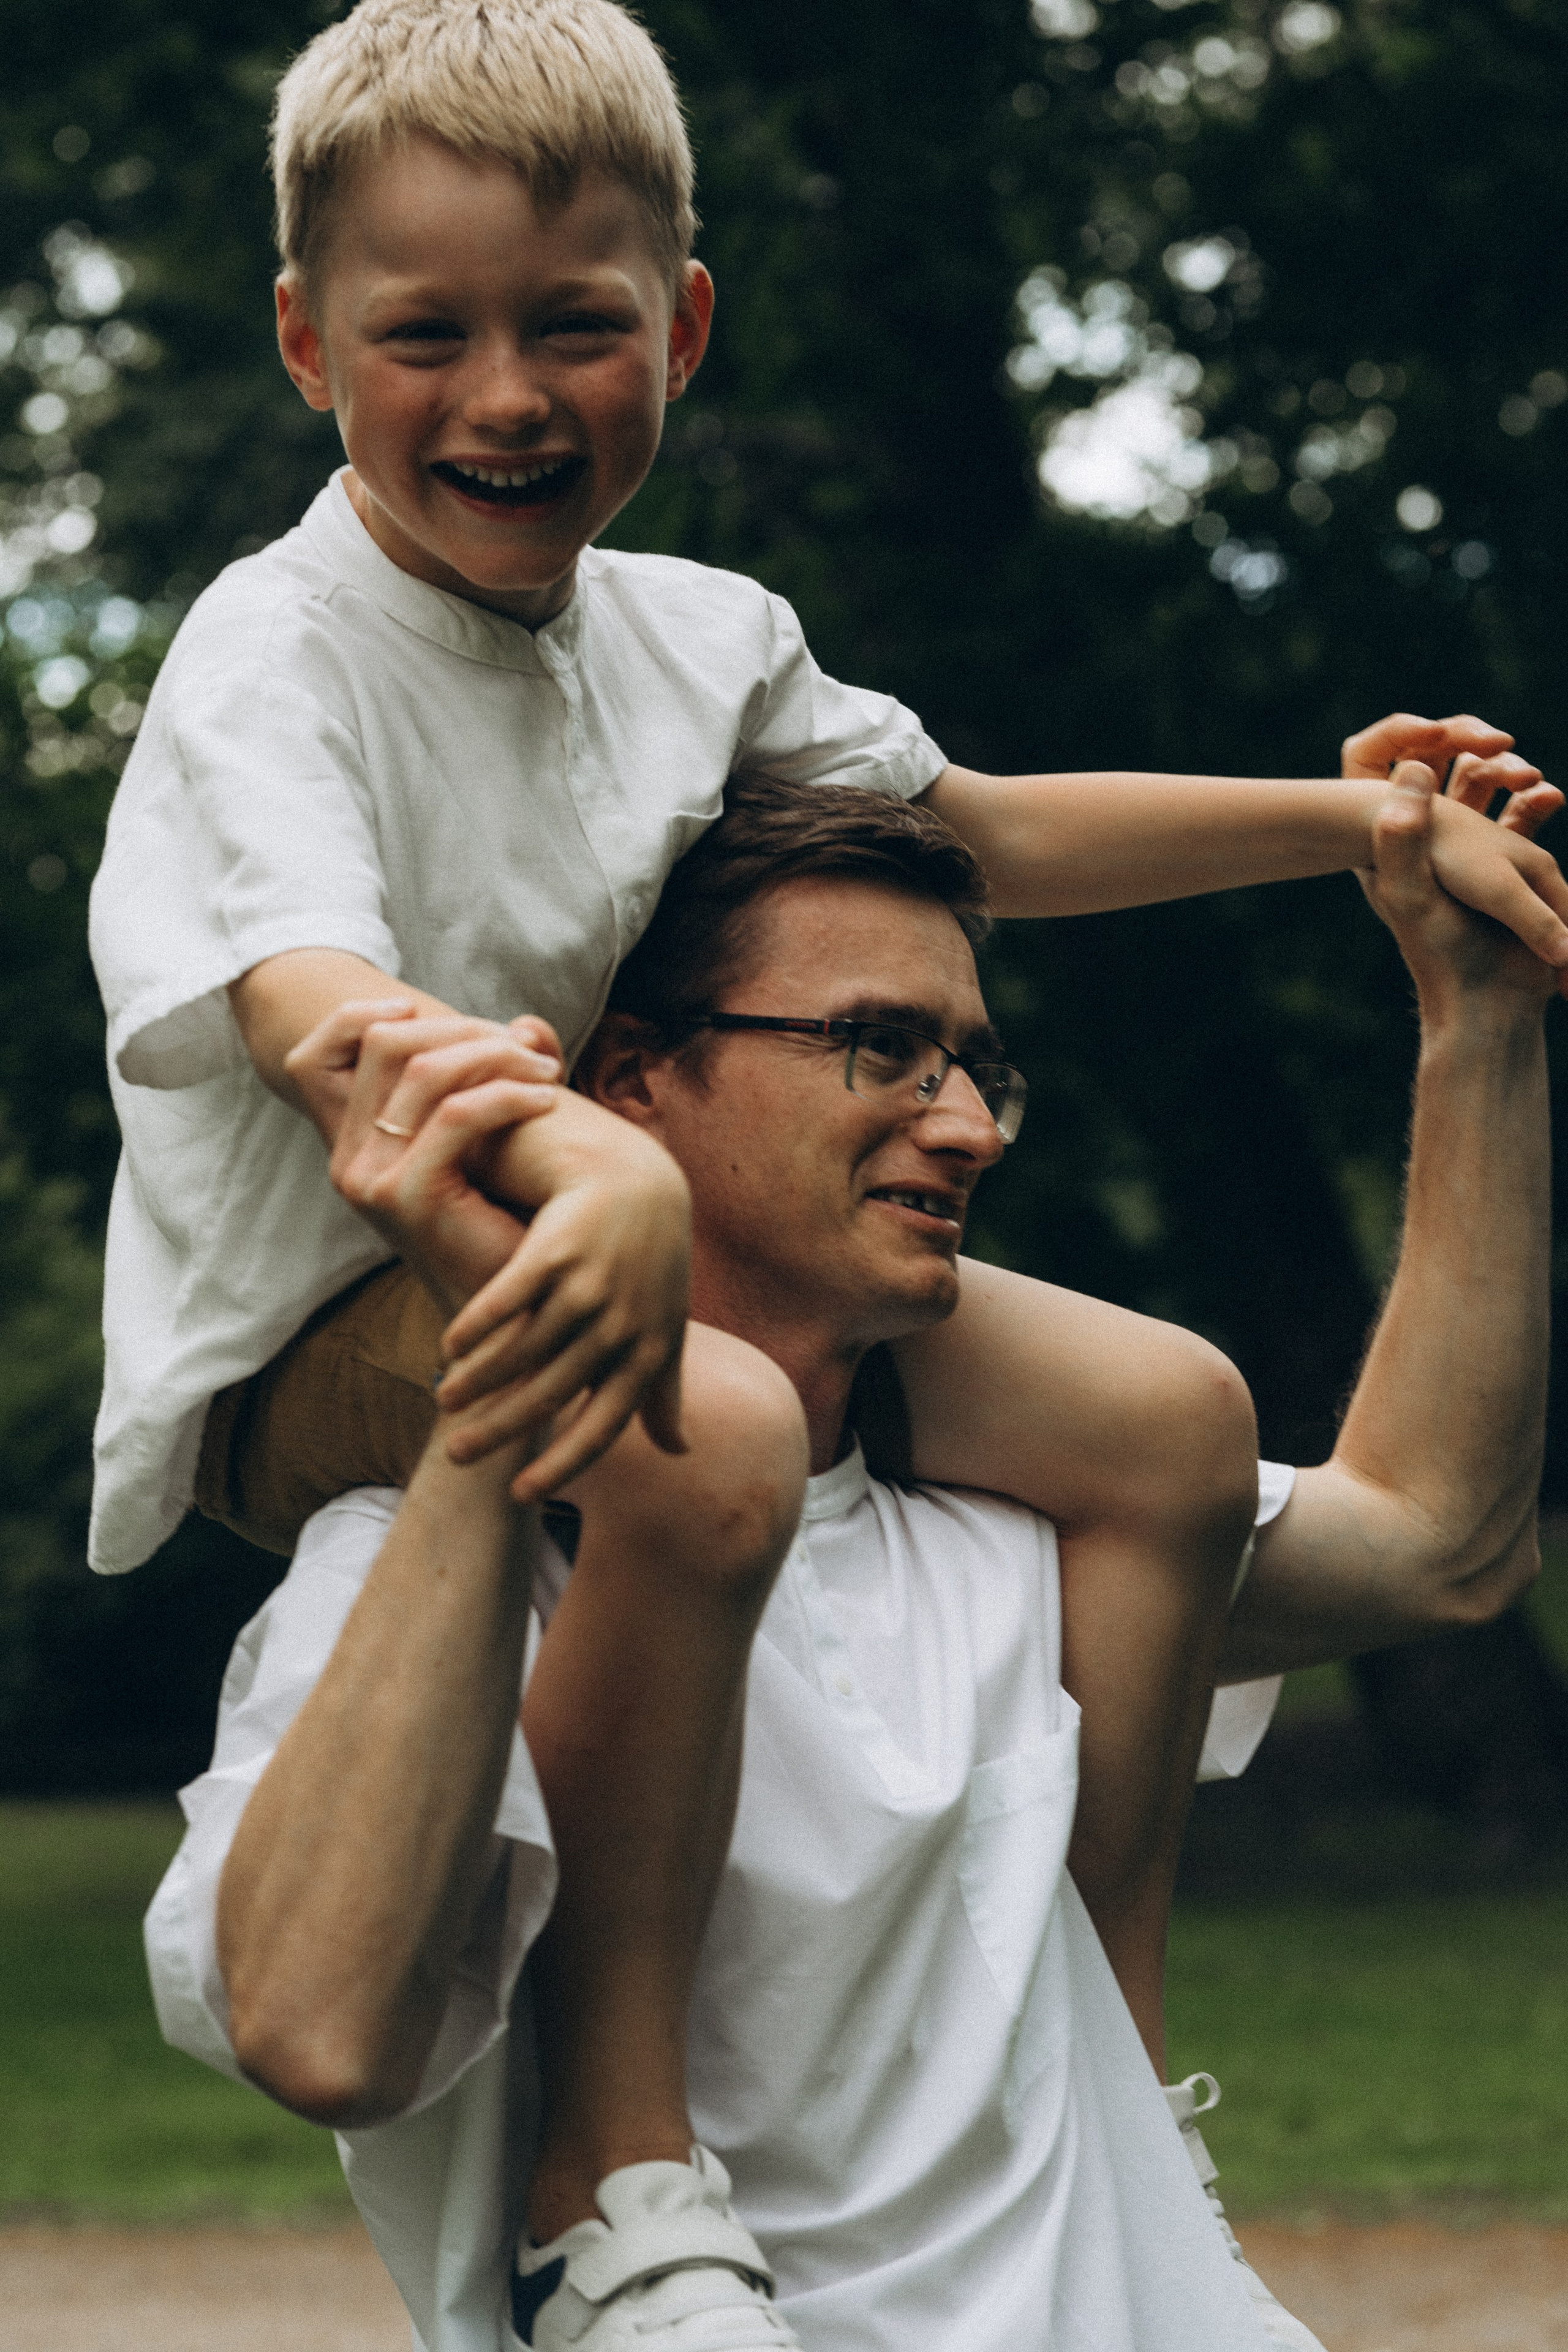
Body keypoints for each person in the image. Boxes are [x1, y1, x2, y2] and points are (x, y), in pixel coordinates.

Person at [91, 0, 1566, 2299]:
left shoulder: (703, 640)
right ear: (304, 343)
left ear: (680, 325)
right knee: (715, 1432)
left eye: (577, 328)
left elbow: (977, 826)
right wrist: (608, 1180)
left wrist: (1357, 819)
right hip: (332, 1318)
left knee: (1169, 1417)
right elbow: (320, 1020)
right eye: (428, 335)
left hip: (618, 1248)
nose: (507, 396)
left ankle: (1116, 2070)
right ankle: (616, 2183)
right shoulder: (277, 658)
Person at [146, 767, 1553, 2352]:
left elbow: (1444, 1545)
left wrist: (1477, 1015)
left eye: (978, 1068)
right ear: (632, 1087)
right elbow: (317, 2036)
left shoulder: (1036, 1527)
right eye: (876, 1046)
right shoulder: (437, 1567)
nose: (963, 1125)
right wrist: (505, 1365)